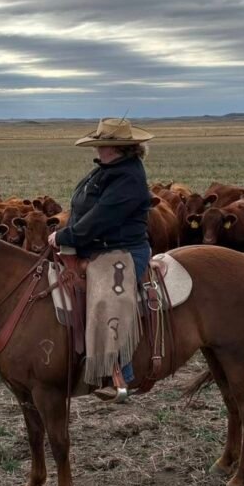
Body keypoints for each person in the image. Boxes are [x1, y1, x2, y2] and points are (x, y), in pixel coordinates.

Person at [47, 117, 153, 399]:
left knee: (108, 294)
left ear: (116, 148)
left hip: (122, 250)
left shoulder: (128, 177)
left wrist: (65, 237)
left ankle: (119, 372)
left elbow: (101, 218)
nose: (97, 150)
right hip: (95, 246)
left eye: (101, 145)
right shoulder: (106, 170)